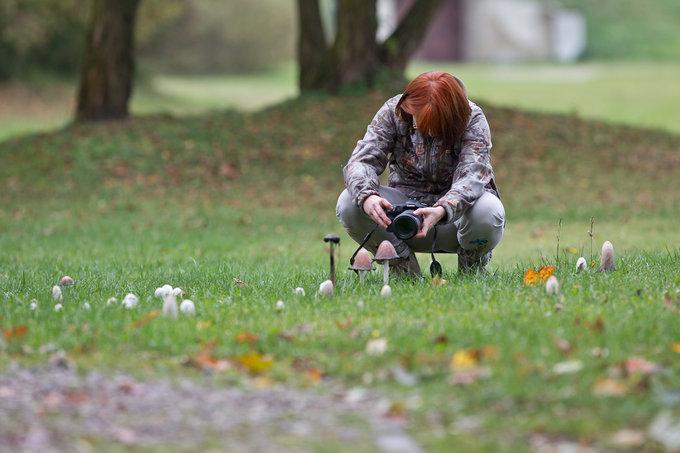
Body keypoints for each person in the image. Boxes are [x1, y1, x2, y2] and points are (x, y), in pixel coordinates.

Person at [336, 71, 505, 277]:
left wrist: (444, 208)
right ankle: (405, 272)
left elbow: (473, 175)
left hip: (457, 219)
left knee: (488, 210)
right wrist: (368, 196)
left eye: (431, 123)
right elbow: (362, 161)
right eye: (417, 119)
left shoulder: (473, 118)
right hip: (403, 218)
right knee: (348, 202)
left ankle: (471, 273)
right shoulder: (393, 112)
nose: (420, 128)